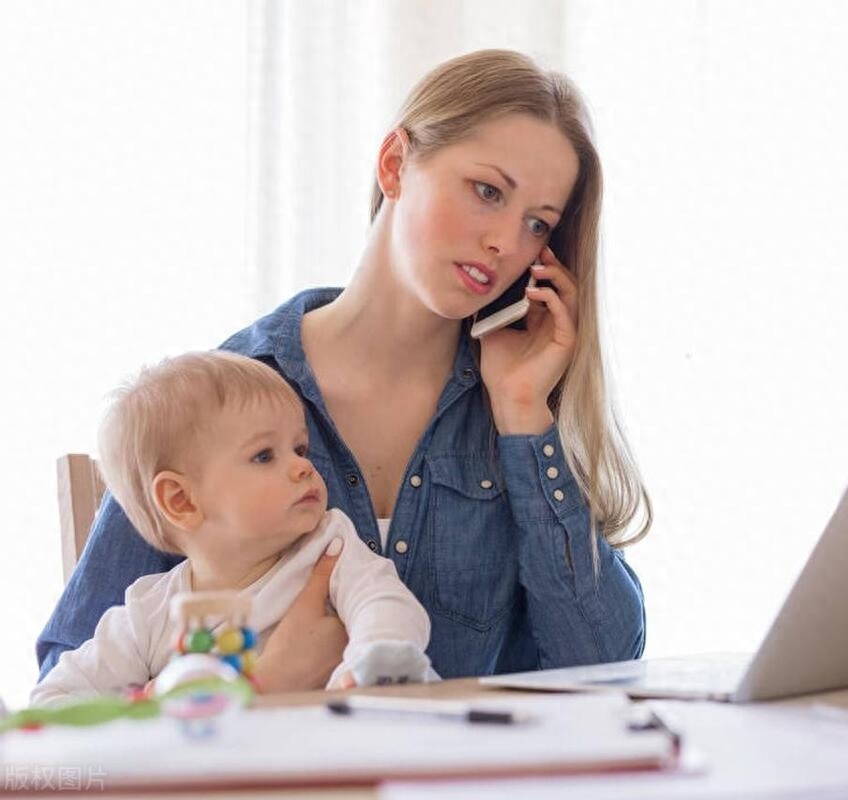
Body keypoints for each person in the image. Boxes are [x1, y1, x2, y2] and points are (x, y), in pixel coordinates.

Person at [37, 49, 650, 691]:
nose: (505, 242)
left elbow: (607, 668)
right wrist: (263, 689)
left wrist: (525, 416)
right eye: (487, 191)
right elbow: (62, 691)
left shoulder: (515, 415)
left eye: (537, 224)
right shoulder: (226, 395)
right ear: (395, 164)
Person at [32, 352, 432, 707]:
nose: (304, 467)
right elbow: (52, 700)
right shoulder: (148, 612)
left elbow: (386, 603)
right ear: (181, 501)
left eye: (299, 448)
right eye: (264, 456)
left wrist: (369, 663)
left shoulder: (328, 546)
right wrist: (152, 702)